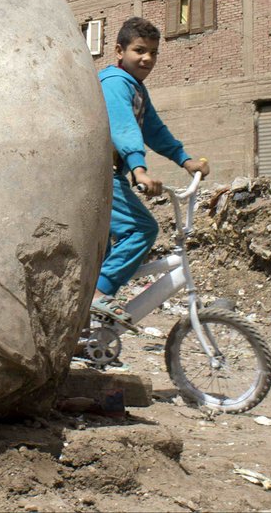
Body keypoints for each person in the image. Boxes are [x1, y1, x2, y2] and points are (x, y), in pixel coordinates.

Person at [92, 17, 209, 327]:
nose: (147, 59)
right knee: (141, 229)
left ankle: (86, 326)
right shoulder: (115, 82)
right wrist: (139, 171)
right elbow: (124, 127)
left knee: (100, 251)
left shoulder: (135, 88)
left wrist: (185, 160)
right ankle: (98, 294)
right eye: (139, 50)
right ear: (119, 50)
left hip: (106, 175)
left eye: (154, 53)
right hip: (99, 175)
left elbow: (153, 129)